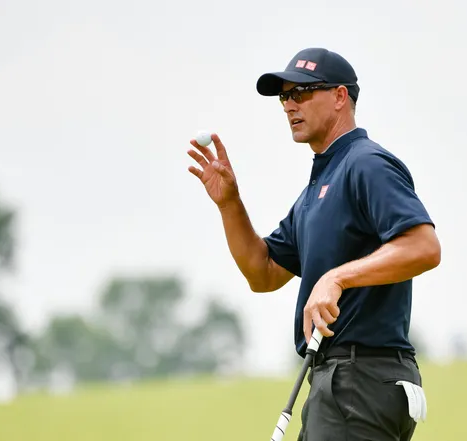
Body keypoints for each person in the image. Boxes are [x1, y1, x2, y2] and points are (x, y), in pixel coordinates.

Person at [187, 47, 441, 441]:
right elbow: (263, 272)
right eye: (285, 96)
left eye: (303, 93)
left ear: (340, 97)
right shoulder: (315, 192)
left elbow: (424, 247)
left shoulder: (366, 164)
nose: (290, 105)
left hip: (363, 378)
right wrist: (230, 204)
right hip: (337, 383)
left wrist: (337, 278)